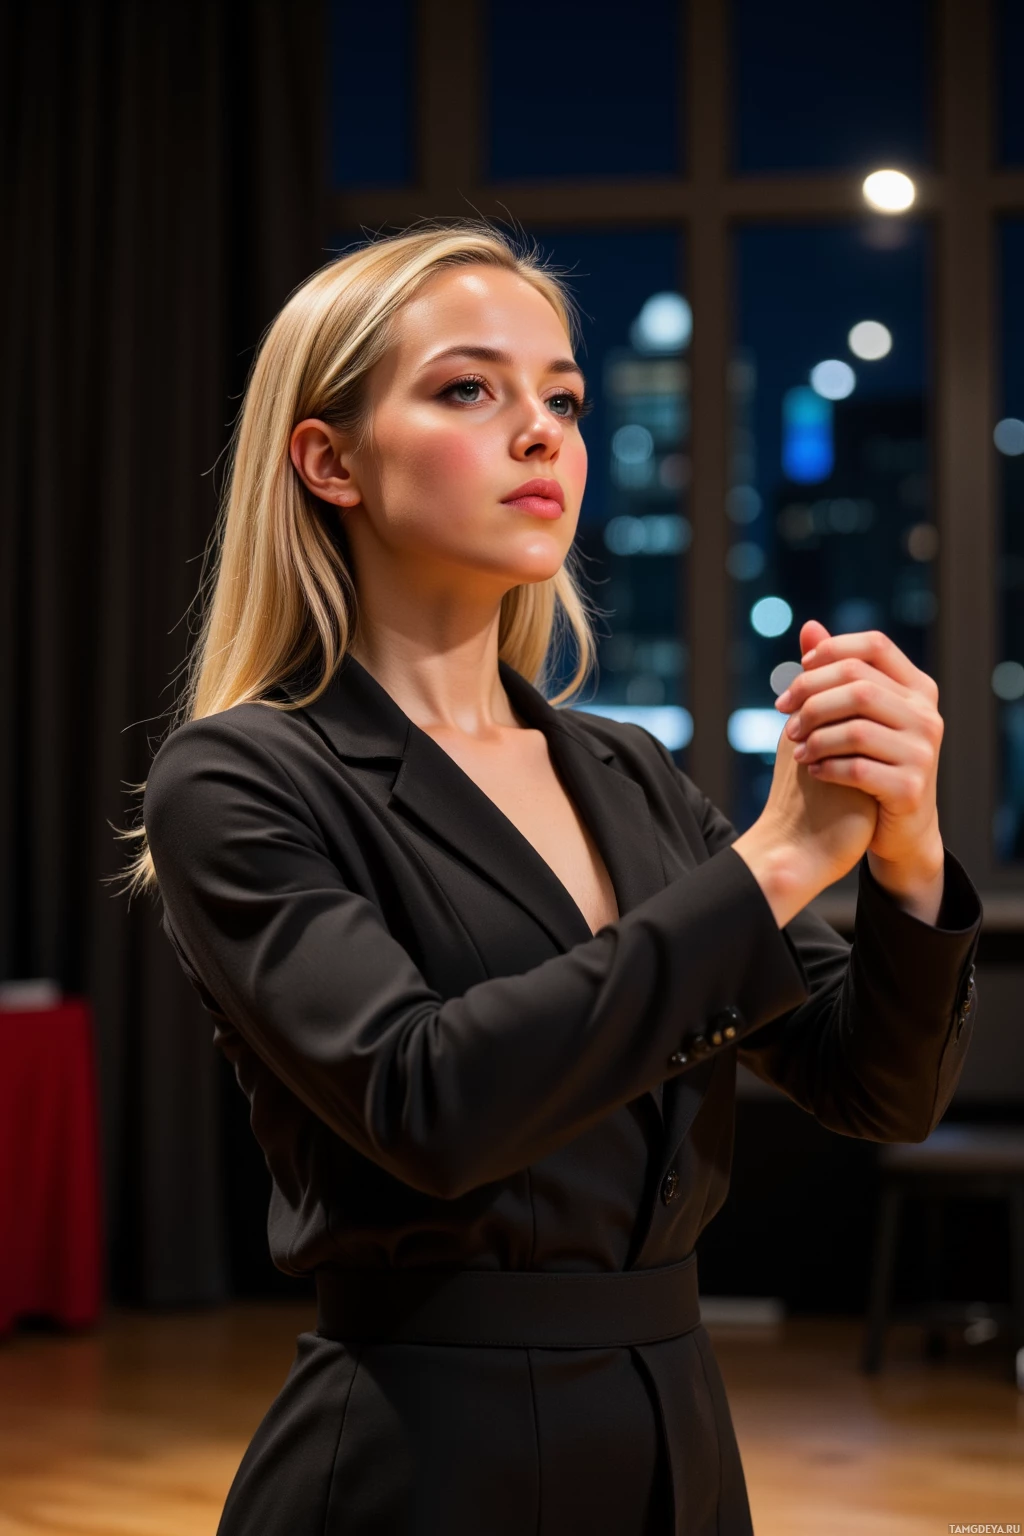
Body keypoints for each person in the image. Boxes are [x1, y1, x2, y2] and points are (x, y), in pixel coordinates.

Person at [125, 222, 983, 1535]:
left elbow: (879, 1086)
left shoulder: (628, 773)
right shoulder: (242, 778)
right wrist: (778, 857)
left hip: (680, 1445)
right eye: (471, 388)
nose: (544, 433)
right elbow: (431, 1103)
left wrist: (905, 851)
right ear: (328, 460)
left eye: (563, 399)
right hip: (423, 1458)